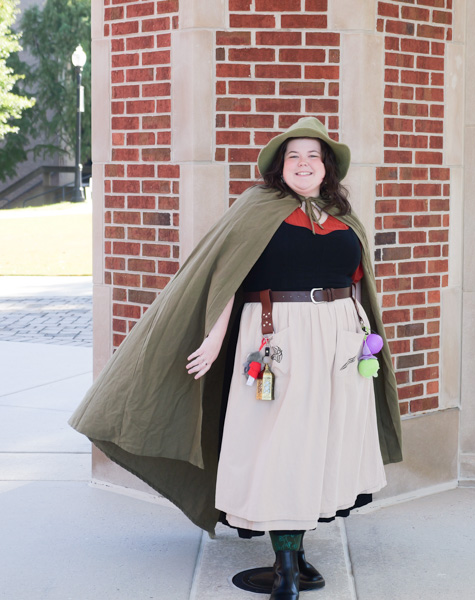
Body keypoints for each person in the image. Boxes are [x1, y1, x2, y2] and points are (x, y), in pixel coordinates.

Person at [69, 117, 402, 600]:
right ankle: (286, 566)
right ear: (279, 167)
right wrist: (213, 339)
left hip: (341, 344)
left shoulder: (342, 215)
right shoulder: (255, 209)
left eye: (313, 156)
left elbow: (356, 282)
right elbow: (227, 278)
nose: (304, 164)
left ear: (327, 167)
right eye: (294, 156)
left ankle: (296, 553)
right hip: (277, 339)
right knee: (279, 446)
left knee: (323, 442)